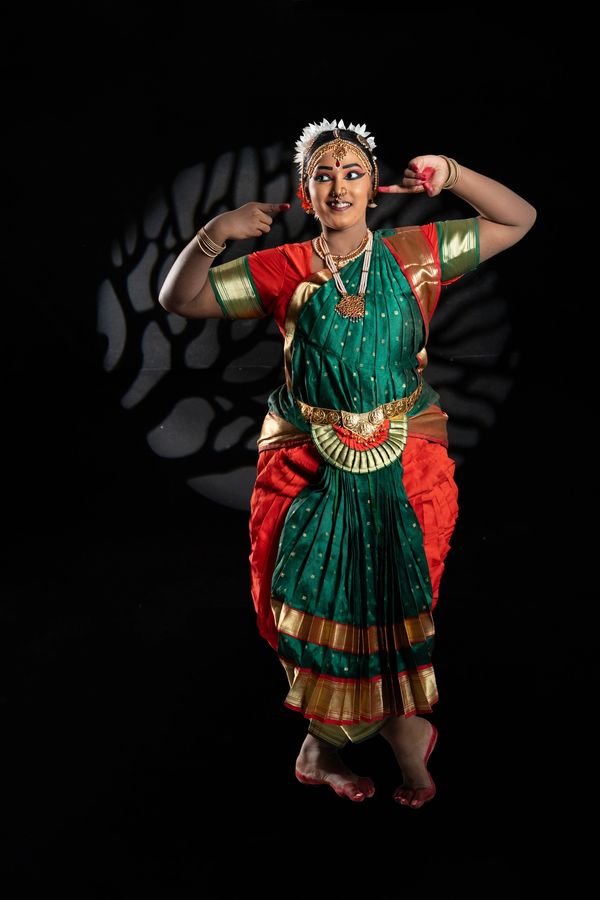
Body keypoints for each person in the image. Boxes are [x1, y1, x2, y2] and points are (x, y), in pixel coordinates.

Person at [158, 118, 536, 808]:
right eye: (323, 175)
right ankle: (329, 743)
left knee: (395, 593)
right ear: (306, 195)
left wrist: (452, 174)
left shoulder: (418, 252)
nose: (339, 183)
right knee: (314, 597)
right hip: (310, 460)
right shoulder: (285, 267)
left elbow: (519, 219)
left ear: (374, 189)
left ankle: (398, 731)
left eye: (353, 171)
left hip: (405, 456)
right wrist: (214, 234)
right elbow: (177, 298)